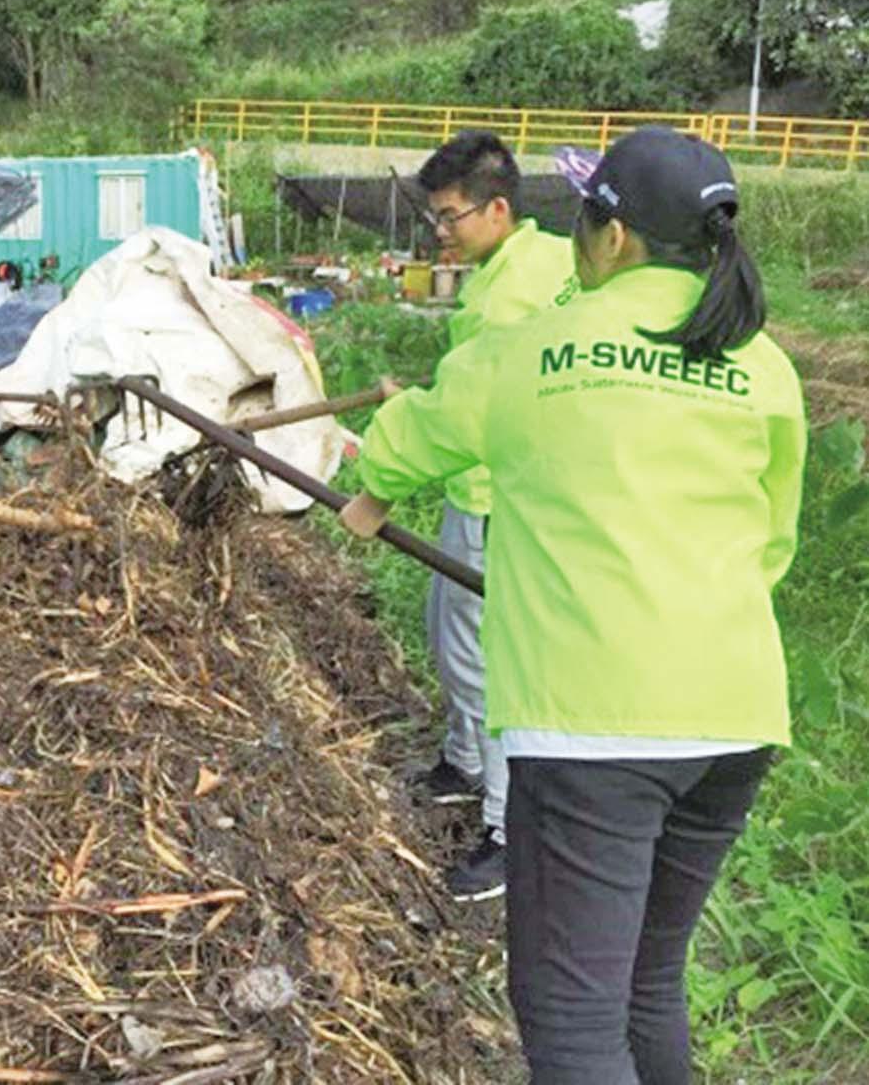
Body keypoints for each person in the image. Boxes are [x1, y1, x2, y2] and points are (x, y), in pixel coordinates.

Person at [339, 126, 805, 1084]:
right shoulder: (762, 366)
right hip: (736, 715)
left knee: (572, 1021)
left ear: (615, 237)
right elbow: (772, 540)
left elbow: (423, 426)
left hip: (599, 728)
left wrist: (371, 492)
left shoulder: (540, 348)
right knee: (647, 981)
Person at [410, 131, 577, 903]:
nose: (441, 233)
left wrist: (390, 459)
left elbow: (472, 412)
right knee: (449, 634)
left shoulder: (509, 296)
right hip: (506, 487)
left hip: (494, 499)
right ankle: (462, 763)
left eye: (451, 218)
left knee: (488, 668)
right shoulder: (540, 261)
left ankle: (508, 833)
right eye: (436, 219)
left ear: (498, 207)